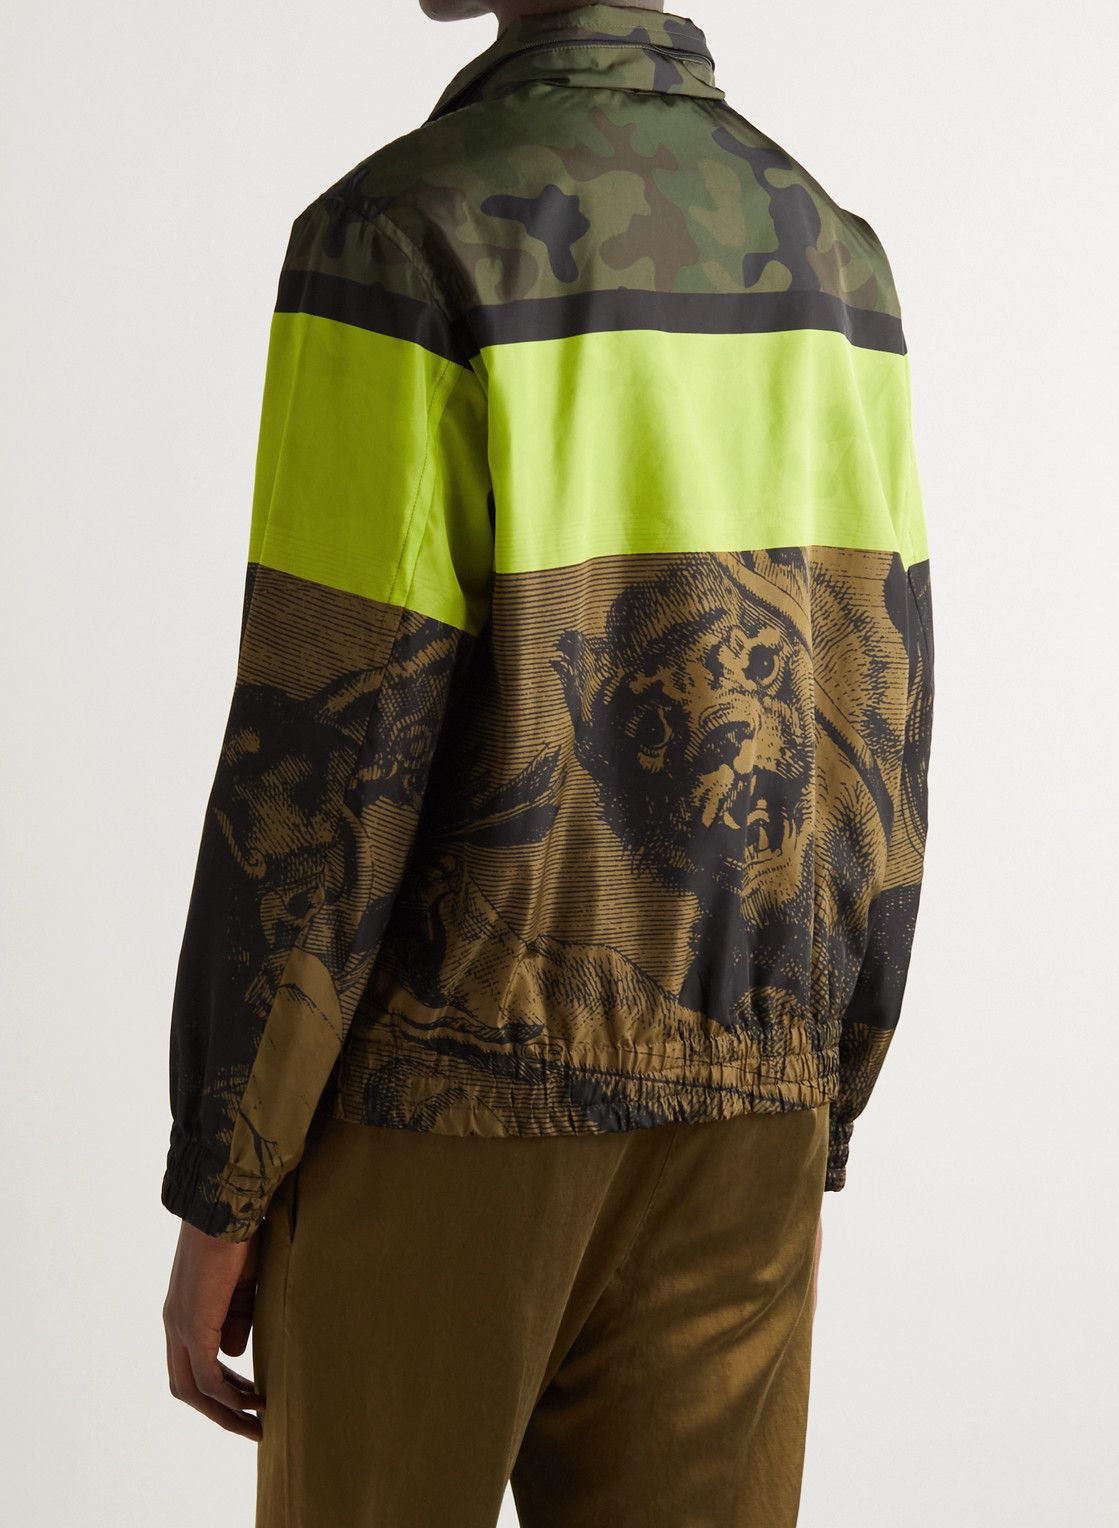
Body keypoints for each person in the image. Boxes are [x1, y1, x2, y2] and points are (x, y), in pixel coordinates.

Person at [160, 2, 935, 1523]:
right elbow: (879, 698)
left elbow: (329, 750)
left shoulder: (398, 236)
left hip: (443, 1104)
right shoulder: (836, 258)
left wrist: (224, 1176)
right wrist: (819, 1088)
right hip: (746, 1097)